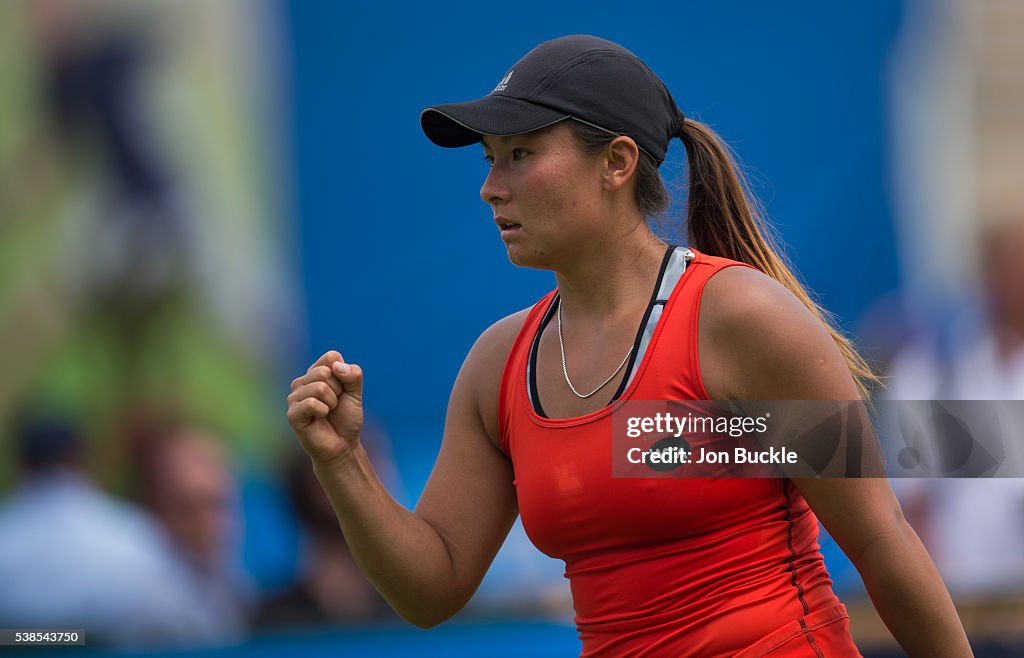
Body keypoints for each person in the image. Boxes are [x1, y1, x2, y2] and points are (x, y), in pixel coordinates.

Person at [287, 35, 972, 657]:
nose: (489, 188)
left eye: (521, 154)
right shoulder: (496, 364)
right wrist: (342, 462)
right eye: (491, 160)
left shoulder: (744, 319)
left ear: (616, 163)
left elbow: (882, 543)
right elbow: (430, 590)